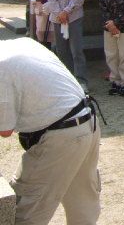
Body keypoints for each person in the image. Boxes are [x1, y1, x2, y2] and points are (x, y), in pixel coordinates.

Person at [1, 38, 101, 225]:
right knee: (83, 207)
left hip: (61, 136)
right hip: (87, 120)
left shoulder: (1, 65)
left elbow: (5, 129)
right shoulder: (23, 43)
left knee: (26, 212)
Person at [47, 0, 89, 92]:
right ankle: (66, 80)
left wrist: (66, 11)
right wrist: (59, 12)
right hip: (57, 18)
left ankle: (81, 80)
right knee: (61, 50)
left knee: (76, 50)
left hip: (74, 17)